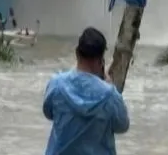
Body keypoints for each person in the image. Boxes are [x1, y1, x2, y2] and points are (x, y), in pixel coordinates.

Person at [43, 27, 130, 155]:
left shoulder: (57, 85)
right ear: (101, 60)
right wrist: (110, 85)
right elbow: (122, 125)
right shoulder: (110, 95)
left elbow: (49, 113)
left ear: (77, 53)